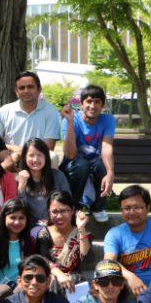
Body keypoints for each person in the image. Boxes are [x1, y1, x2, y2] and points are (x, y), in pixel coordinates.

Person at [60, 84, 116, 222]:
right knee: (81, 164)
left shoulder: (108, 119)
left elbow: (107, 146)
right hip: (74, 167)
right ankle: (75, 206)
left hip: (95, 163)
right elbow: (70, 155)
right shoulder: (70, 120)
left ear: (102, 105)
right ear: (81, 104)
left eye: (97, 102)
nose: (92, 106)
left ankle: (97, 207)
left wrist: (110, 172)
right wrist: (70, 121)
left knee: (103, 166)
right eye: (89, 101)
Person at [0, 71, 61, 164]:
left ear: (39, 90)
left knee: (53, 157)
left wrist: (26, 153)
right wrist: (14, 148)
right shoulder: (5, 110)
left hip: (38, 158)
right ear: (17, 92)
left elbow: (49, 147)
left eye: (30, 87)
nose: (26, 91)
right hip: (12, 157)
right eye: (22, 88)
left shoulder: (50, 110)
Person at [35, 191, 92, 293]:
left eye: (63, 211)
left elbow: (87, 259)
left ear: (72, 210)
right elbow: (43, 260)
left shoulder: (81, 233)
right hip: (51, 280)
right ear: (49, 212)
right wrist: (60, 274)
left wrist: (81, 228)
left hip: (75, 280)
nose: (59, 216)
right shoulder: (44, 234)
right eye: (54, 212)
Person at [0, 198, 36, 301]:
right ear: (4, 217)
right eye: (12, 217)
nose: (17, 222)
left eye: (21, 218)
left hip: (19, 290)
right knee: (3, 291)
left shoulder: (29, 242)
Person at [14, 138, 70, 224]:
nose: (35, 159)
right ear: (25, 157)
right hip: (28, 226)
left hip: (55, 223)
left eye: (39, 155)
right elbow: (16, 211)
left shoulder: (58, 176)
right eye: (31, 155)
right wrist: (21, 188)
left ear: (45, 157)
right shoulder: (19, 179)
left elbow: (68, 204)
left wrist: (51, 221)